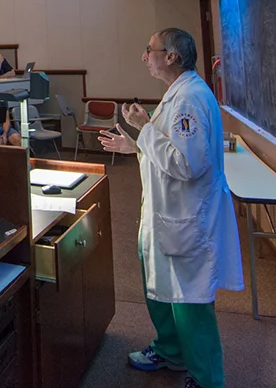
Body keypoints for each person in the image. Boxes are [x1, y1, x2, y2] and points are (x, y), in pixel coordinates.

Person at [97, 29, 242, 388]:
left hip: (186, 221)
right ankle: (172, 351)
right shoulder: (176, 94)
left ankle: (208, 379)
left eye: (150, 50)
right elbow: (166, 148)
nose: (145, 56)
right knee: (160, 289)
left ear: (172, 57)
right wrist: (135, 145)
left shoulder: (189, 100)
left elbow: (187, 164)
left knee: (190, 303)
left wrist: (145, 130)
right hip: (164, 216)